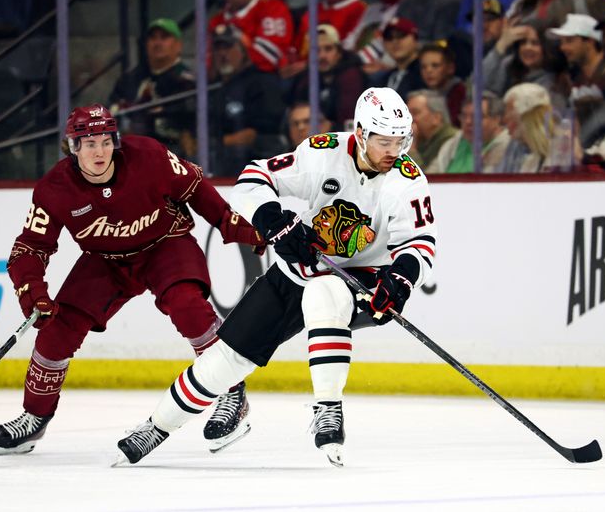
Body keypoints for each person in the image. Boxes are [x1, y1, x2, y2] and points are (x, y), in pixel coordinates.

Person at [113, 87, 437, 467]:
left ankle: (328, 408)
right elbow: (252, 178)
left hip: (358, 278)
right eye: (385, 141)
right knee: (225, 361)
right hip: (296, 270)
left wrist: (400, 280)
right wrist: (273, 220)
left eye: (401, 141)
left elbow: (419, 242)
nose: (394, 151)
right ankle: (157, 426)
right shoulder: (323, 153)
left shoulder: (406, 179)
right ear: (361, 133)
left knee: (325, 292)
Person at [0, 104, 267, 456]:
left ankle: (231, 392)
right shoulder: (54, 189)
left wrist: (239, 227)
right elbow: (29, 247)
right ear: (72, 148)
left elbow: (195, 188)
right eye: (88, 144)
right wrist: (34, 295)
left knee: (187, 306)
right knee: (57, 331)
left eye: (105, 141)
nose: (99, 151)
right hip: (105, 262)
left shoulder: (149, 156)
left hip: (166, 245)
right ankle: (34, 417)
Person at [109, 18, 196, 159]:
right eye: (153, 38)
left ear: (178, 45)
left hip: (171, 156)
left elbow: (188, 119)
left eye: (164, 37)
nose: (157, 43)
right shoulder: (130, 78)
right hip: (129, 154)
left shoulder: (186, 82)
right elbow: (112, 108)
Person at [210, 23, 286, 177]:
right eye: (218, 48)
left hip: (256, 169)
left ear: (243, 50)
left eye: (228, 47)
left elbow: (252, 135)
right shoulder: (212, 88)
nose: (222, 53)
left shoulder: (262, 83)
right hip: (219, 165)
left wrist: (210, 144)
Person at [288, 24, 366, 131]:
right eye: (316, 50)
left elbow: (351, 124)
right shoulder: (305, 78)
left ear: (339, 53)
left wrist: (331, 128)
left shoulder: (350, 77)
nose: (322, 56)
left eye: (328, 49)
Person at [209, 0, 293, 73]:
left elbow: (270, 59)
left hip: (262, 78)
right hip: (226, 83)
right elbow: (208, 68)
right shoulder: (216, 21)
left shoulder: (272, 7)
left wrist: (239, 41)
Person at [427, 91, 510, 173]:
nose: (467, 122)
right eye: (464, 116)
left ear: (496, 119)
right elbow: (431, 176)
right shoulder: (452, 144)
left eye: (476, 116)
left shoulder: (507, 148)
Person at [406, 89, 458, 170]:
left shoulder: (451, 140)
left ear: (436, 118)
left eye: (415, 113)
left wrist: (411, 149)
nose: (408, 119)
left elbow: (426, 178)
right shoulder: (422, 139)